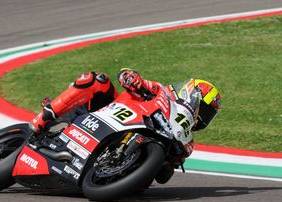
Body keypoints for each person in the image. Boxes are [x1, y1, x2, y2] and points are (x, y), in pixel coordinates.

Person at [29, 68, 221, 184]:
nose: (203, 118)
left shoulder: (187, 143)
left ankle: (107, 168)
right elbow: (126, 75)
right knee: (96, 79)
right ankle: (45, 117)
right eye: (204, 110)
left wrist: (172, 161)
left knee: (142, 189)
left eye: (208, 116)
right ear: (191, 94)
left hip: (118, 168)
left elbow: (162, 178)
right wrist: (131, 78)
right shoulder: (161, 91)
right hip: (108, 113)